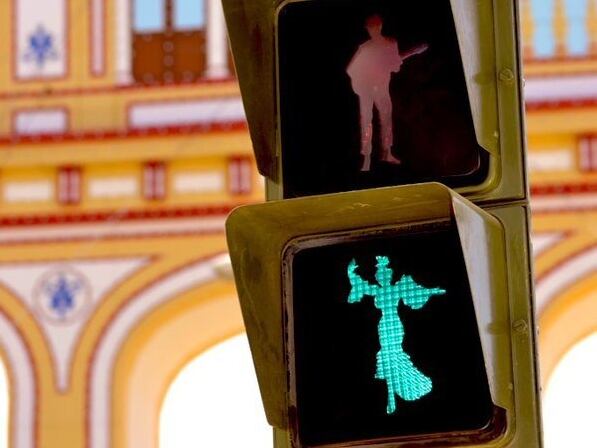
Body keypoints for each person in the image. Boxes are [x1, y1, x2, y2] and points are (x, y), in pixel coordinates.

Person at [347, 15, 428, 171]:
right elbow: (351, 69)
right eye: (370, 28)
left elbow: (395, 67)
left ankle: (387, 153)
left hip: (382, 89)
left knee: (386, 120)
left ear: (380, 27)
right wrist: (360, 86)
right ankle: (366, 158)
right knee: (366, 121)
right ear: (368, 30)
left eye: (375, 27)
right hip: (366, 90)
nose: (372, 31)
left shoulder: (391, 44)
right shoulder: (365, 48)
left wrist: (400, 59)